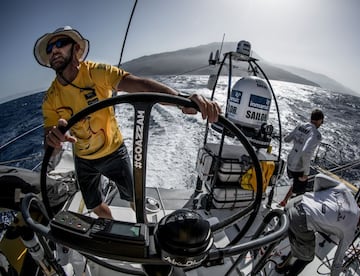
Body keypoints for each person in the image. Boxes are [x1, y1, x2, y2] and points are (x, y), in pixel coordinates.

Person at [34, 26, 221, 219]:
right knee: (96, 207)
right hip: (83, 159)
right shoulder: (50, 98)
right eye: (49, 49)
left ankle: (145, 230)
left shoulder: (96, 72)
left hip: (113, 152)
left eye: (59, 43)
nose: (54, 50)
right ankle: (109, 231)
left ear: (75, 49)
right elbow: (50, 140)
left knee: (136, 201)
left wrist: (181, 100)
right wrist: (54, 141)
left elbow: (140, 85)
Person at [276, 173, 360, 276]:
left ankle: (270, 255)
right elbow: (337, 262)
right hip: (300, 220)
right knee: (307, 257)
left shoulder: (345, 190)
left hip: (295, 202)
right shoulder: (351, 229)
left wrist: (317, 199)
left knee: (289, 233)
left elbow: (319, 178)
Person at [279, 109, 324, 207]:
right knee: (301, 191)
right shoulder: (316, 134)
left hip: (290, 162)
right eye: (321, 121)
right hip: (298, 167)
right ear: (320, 120)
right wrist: (306, 174)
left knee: (295, 184)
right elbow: (305, 152)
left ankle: (284, 201)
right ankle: (290, 209)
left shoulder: (300, 126)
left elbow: (286, 139)